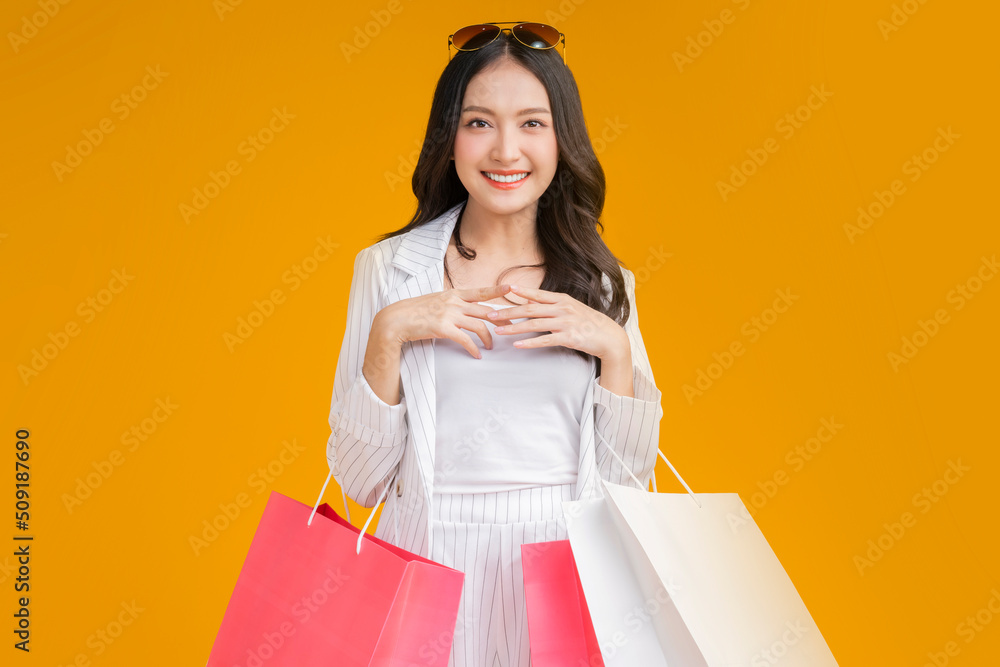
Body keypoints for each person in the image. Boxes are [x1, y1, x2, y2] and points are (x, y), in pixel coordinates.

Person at [325, 21, 664, 667]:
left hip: (567, 571)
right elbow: (358, 481)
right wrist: (389, 330)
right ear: (447, 137)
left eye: (532, 123)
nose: (506, 149)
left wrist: (615, 352)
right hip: (431, 568)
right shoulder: (389, 270)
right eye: (480, 122)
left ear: (562, 139)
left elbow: (629, 488)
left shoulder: (603, 283)